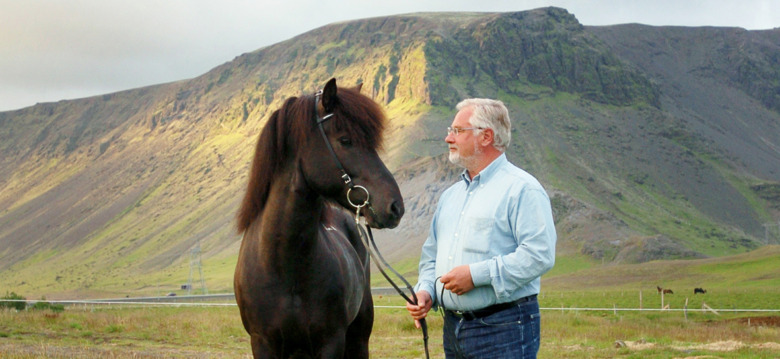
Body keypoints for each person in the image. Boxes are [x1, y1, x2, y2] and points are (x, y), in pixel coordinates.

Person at [406, 98, 557, 358]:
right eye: (450, 130)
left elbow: (539, 254)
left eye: (457, 130)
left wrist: (476, 275)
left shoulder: (522, 189)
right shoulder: (450, 196)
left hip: (505, 327)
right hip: (453, 327)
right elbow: (431, 257)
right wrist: (426, 291)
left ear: (486, 136)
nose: (448, 138)